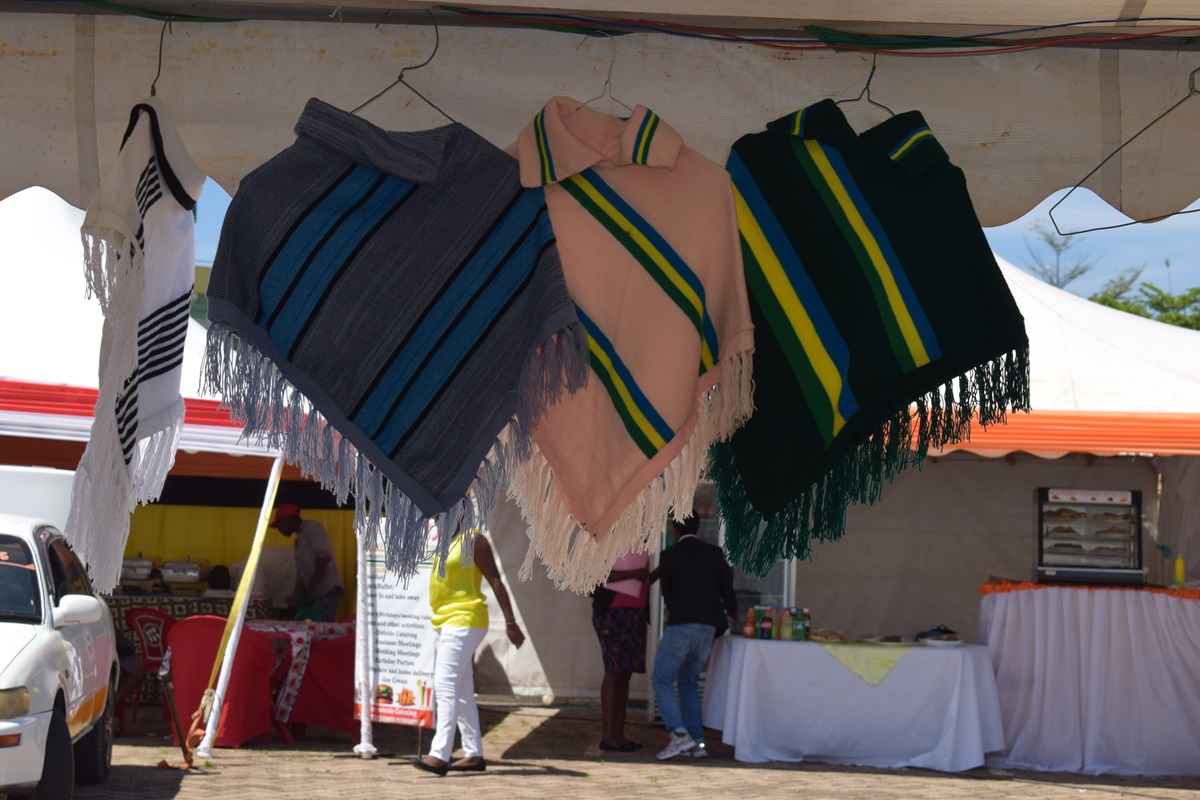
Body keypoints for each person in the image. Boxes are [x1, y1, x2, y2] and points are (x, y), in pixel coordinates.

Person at [411, 530, 524, 776]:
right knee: (461, 690)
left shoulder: (474, 540)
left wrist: (511, 622)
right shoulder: (441, 541)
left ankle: (439, 755)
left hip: (465, 620)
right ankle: (474, 754)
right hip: (443, 621)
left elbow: (495, 580)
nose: (437, 517)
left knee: (445, 684)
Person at [651, 511, 738, 761]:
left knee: (662, 678)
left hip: (682, 624)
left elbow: (668, 595)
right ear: (698, 528)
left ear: (674, 530)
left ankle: (679, 734)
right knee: (688, 680)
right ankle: (698, 743)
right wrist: (732, 612)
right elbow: (727, 588)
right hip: (708, 626)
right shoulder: (715, 553)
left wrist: (677, 611)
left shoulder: (669, 555)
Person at [592, 549, 656, 752]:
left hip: (635, 611)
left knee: (624, 673)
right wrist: (635, 573)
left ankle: (618, 734)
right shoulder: (609, 541)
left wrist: (653, 573)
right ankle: (609, 736)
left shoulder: (639, 547)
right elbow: (598, 574)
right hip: (613, 611)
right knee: (614, 671)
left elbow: (642, 579)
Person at [269, 502, 344, 622]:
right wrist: (293, 605)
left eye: (279, 525)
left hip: (327, 593)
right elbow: (301, 577)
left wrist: (312, 587)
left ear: (287, 520)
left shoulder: (312, 527)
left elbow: (324, 556)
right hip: (317, 596)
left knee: (323, 631)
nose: (279, 530)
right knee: (315, 631)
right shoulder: (299, 541)